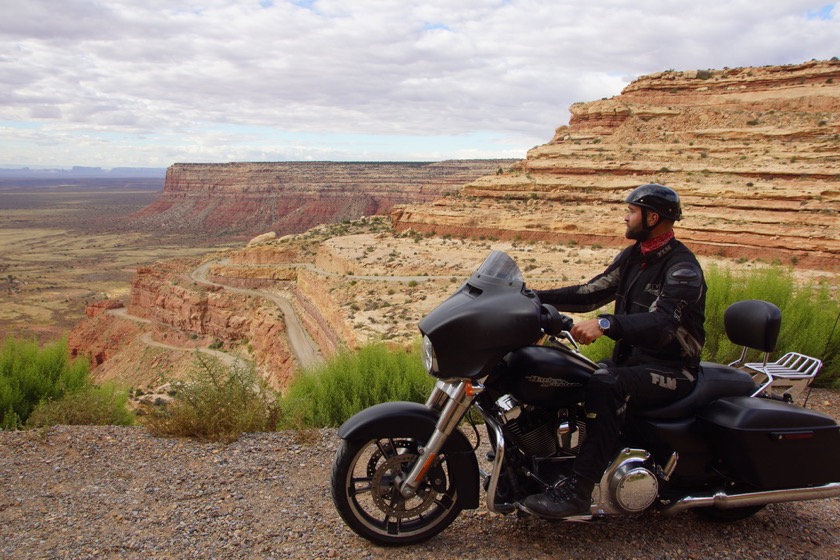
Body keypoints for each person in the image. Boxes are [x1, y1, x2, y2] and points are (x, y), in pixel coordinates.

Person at [523, 183, 706, 518]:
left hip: (672, 370)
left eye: (631, 211)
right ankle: (543, 463)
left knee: (607, 384)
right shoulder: (637, 256)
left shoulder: (682, 268)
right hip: (634, 362)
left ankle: (578, 492)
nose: (626, 216)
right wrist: (530, 296)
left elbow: (664, 323)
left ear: (652, 217)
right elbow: (592, 292)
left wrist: (607, 325)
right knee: (566, 374)